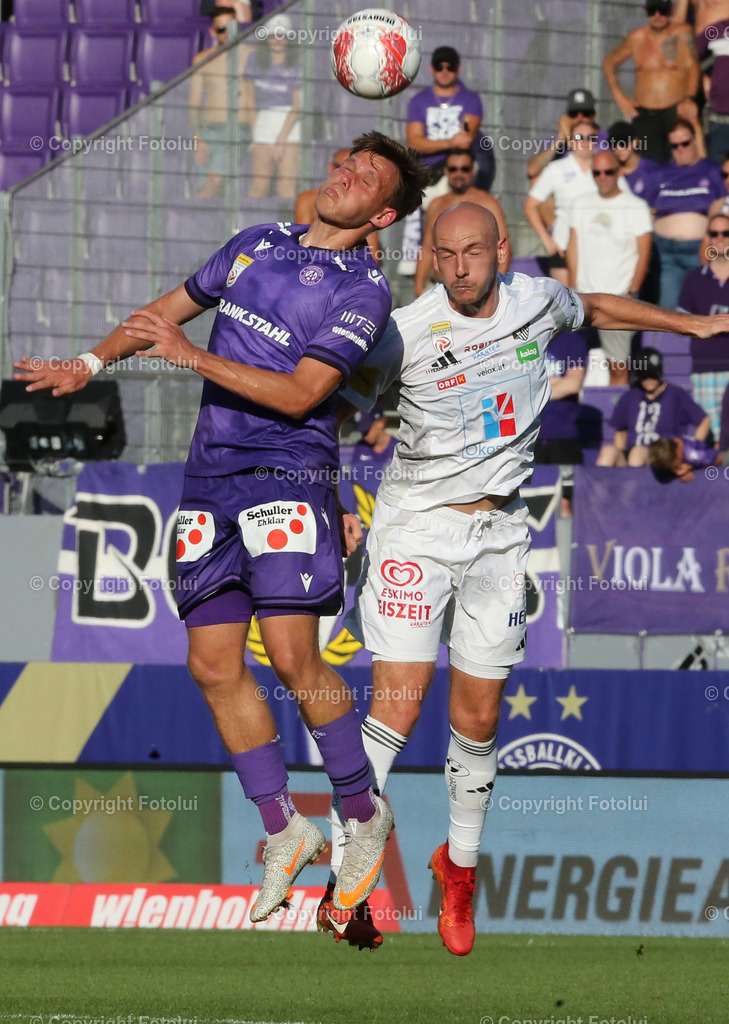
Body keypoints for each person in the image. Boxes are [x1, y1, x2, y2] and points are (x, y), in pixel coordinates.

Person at [14, 132, 431, 927]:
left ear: (381, 213)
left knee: (289, 654)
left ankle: (360, 811)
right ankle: (284, 827)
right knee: (209, 663)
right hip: (210, 482)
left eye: (364, 176)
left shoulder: (361, 291)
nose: (342, 174)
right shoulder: (253, 243)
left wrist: (188, 359)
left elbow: (305, 395)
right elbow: (162, 314)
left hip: (287, 477)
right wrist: (89, 363)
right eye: (343, 161)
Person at [336, 202, 729, 956]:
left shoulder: (535, 301)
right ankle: (349, 879)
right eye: (444, 255)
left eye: (471, 254)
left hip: (499, 534)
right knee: (399, 702)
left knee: (477, 719)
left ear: (501, 251)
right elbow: (326, 401)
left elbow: (599, 304)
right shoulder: (404, 332)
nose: (457, 268)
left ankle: (458, 869)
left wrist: (696, 327)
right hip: (415, 528)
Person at [397, 45, 490, 296]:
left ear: (458, 69)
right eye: (440, 66)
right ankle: (420, 284)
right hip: (427, 177)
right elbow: (414, 142)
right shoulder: (419, 101)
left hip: (456, 172)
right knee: (424, 233)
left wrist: (440, 146)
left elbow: (467, 138)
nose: (445, 71)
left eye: (450, 66)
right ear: (432, 69)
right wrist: (450, 142)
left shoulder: (470, 99)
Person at [566, 149, 654, 385]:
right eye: (596, 172)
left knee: (618, 368)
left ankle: (617, 420)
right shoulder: (580, 204)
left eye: (608, 171)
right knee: (569, 363)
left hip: (618, 298)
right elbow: (573, 246)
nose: (602, 177)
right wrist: (572, 286)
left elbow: (644, 251)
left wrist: (632, 290)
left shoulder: (636, 206)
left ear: (620, 171)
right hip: (583, 296)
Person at [603, 0, 701, 165]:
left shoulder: (683, 33)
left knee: (681, 163)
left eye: (662, 11)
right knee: (647, 165)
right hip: (645, 115)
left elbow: (693, 67)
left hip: (675, 110)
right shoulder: (636, 37)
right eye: (652, 11)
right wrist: (620, 97)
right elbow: (609, 62)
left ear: (670, 12)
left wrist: (689, 98)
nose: (657, 16)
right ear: (646, 12)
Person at [643, 118, 725, 308]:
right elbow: (646, 212)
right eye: (675, 145)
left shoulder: (713, 172)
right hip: (665, 253)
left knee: (701, 306)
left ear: (695, 140)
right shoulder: (659, 174)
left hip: (699, 250)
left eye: (685, 143)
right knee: (669, 309)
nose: (681, 149)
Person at [415, 148, 510, 297]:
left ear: (473, 170)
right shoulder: (436, 205)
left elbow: (502, 246)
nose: (459, 174)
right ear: (446, 171)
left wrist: (495, 287)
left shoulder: (488, 203)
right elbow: (427, 248)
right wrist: (419, 287)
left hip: (477, 291)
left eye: (464, 169)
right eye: (453, 169)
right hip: (439, 288)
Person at [597, 347, 711, 465]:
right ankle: (604, 482)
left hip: (663, 459)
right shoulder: (630, 396)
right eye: (644, 375)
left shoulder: (675, 394)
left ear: (661, 370)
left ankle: (637, 482)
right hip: (630, 458)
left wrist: (691, 451)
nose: (649, 379)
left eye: (652, 375)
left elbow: (704, 420)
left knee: (638, 452)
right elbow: (620, 434)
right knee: (608, 451)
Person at [524, 119, 602, 285]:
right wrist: (547, 241)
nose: (586, 142)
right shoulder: (556, 169)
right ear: (571, 141)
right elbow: (530, 205)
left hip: (599, 249)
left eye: (591, 138)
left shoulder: (606, 170)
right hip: (563, 247)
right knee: (569, 305)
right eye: (580, 137)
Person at [188, 6, 250, 199]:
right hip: (209, 131)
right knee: (204, 187)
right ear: (213, 31)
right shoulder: (203, 59)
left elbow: (255, 98)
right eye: (221, 28)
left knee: (213, 182)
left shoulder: (250, 55)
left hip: (237, 130)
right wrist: (197, 138)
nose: (226, 33)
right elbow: (194, 103)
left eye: (230, 27)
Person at [677, 213, 729, 437]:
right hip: (705, 368)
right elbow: (683, 324)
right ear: (707, 237)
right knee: (715, 436)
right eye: (714, 233)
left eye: (726, 233)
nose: (720, 238)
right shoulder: (694, 279)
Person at [241, 11, 301, 199]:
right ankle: (251, 227)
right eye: (273, 35)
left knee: (286, 187)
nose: (277, 39)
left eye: (282, 35)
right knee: (259, 186)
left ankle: (289, 228)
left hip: (290, 122)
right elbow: (248, 99)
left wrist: (281, 140)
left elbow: (297, 105)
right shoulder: (254, 60)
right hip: (263, 120)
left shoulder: (297, 64)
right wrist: (256, 134)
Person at [295, 147, 380, 262]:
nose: (347, 177)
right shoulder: (307, 199)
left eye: (360, 176)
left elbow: (373, 257)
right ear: (331, 168)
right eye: (346, 168)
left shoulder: (363, 209)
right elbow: (302, 246)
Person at [526, 87, 606, 183]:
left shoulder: (606, 139)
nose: (580, 118)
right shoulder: (560, 140)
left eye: (585, 113)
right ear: (567, 116)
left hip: (595, 188)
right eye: (574, 114)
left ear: (593, 116)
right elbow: (532, 170)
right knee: (536, 180)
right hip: (565, 189)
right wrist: (561, 139)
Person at [608, 120, 661, 198]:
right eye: (613, 144)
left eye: (623, 143)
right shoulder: (608, 172)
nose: (618, 148)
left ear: (635, 142)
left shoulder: (652, 170)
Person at [648, 432, 722, 478]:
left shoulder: (696, 457)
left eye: (673, 466)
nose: (674, 469)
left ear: (677, 453)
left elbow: (719, 458)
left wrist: (691, 467)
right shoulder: (668, 441)